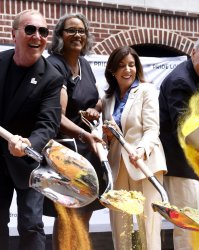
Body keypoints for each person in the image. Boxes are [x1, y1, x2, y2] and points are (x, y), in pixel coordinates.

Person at [0, 10, 63, 250]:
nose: (37, 36)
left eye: (43, 31)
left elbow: (48, 123)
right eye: (29, 30)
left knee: (31, 224)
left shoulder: (51, 78)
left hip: (28, 160)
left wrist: (27, 144)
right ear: (13, 34)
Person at [42, 13, 106, 249]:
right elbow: (57, 116)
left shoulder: (86, 64)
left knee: (85, 209)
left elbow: (95, 100)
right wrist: (85, 134)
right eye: (71, 30)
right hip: (66, 150)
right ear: (60, 35)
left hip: (87, 150)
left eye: (82, 30)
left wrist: (94, 110)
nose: (77, 35)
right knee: (67, 213)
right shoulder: (54, 65)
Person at [159, 33, 199, 249]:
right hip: (183, 168)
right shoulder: (181, 81)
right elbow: (184, 129)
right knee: (188, 230)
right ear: (193, 52)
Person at [101, 45, 167, 250]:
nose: (127, 70)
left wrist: (141, 150)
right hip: (118, 167)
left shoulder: (147, 90)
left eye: (131, 65)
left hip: (145, 163)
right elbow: (110, 138)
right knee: (120, 228)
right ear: (113, 70)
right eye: (121, 66)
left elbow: (152, 129)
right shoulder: (107, 99)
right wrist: (108, 136)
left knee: (148, 226)